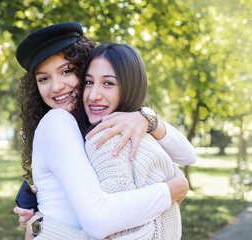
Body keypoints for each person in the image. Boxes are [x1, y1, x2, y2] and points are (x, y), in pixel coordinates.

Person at [14, 22, 195, 239]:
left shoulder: (94, 125)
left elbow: (187, 155)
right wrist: (172, 190)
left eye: (66, 71)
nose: (56, 87)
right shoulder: (57, 121)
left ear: (83, 70)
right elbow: (99, 221)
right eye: (44, 78)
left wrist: (148, 121)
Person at [82, 43, 182, 239]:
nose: (94, 95)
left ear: (130, 86)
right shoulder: (137, 137)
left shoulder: (107, 140)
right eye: (88, 82)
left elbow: (119, 230)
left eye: (108, 83)